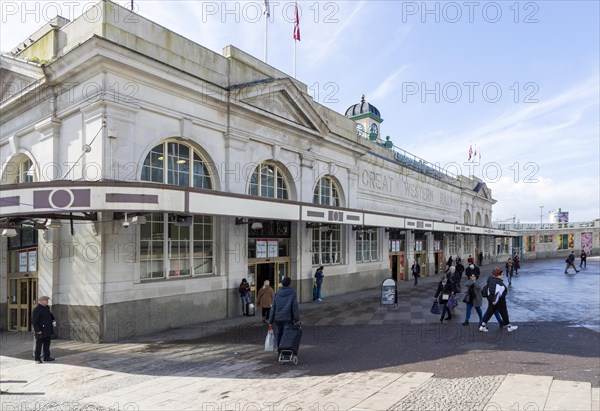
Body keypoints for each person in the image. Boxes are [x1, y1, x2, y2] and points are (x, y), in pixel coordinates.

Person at [479, 268, 518, 333]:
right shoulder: (500, 283)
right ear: (498, 275)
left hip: (491, 300)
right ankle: (509, 326)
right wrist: (495, 301)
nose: (502, 275)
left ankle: (482, 326)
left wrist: (492, 300)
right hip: (499, 301)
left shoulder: (490, 279)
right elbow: (498, 293)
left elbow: (489, 289)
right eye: (502, 274)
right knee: (504, 313)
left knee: (489, 313)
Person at [268, 277, 300, 352]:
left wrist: (270, 321)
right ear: (289, 283)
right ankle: (285, 351)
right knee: (286, 335)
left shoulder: (277, 293)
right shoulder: (292, 293)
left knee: (279, 334)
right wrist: (297, 319)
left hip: (278, 318)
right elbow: (294, 307)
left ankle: (279, 349)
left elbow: (273, 308)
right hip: (288, 318)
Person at [32, 295, 56, 364]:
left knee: (47, 344)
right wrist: (37, 330)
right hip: (40, 330)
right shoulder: (37, 309)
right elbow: (34, 321)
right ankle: (37, 358)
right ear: (41, 301)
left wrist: (53, 321)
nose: (47, 301)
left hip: (47, 329)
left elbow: (50, 316)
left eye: (47, 300)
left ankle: (47, 357)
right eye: (46, 300)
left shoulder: (47, 307)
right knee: (39, 345)